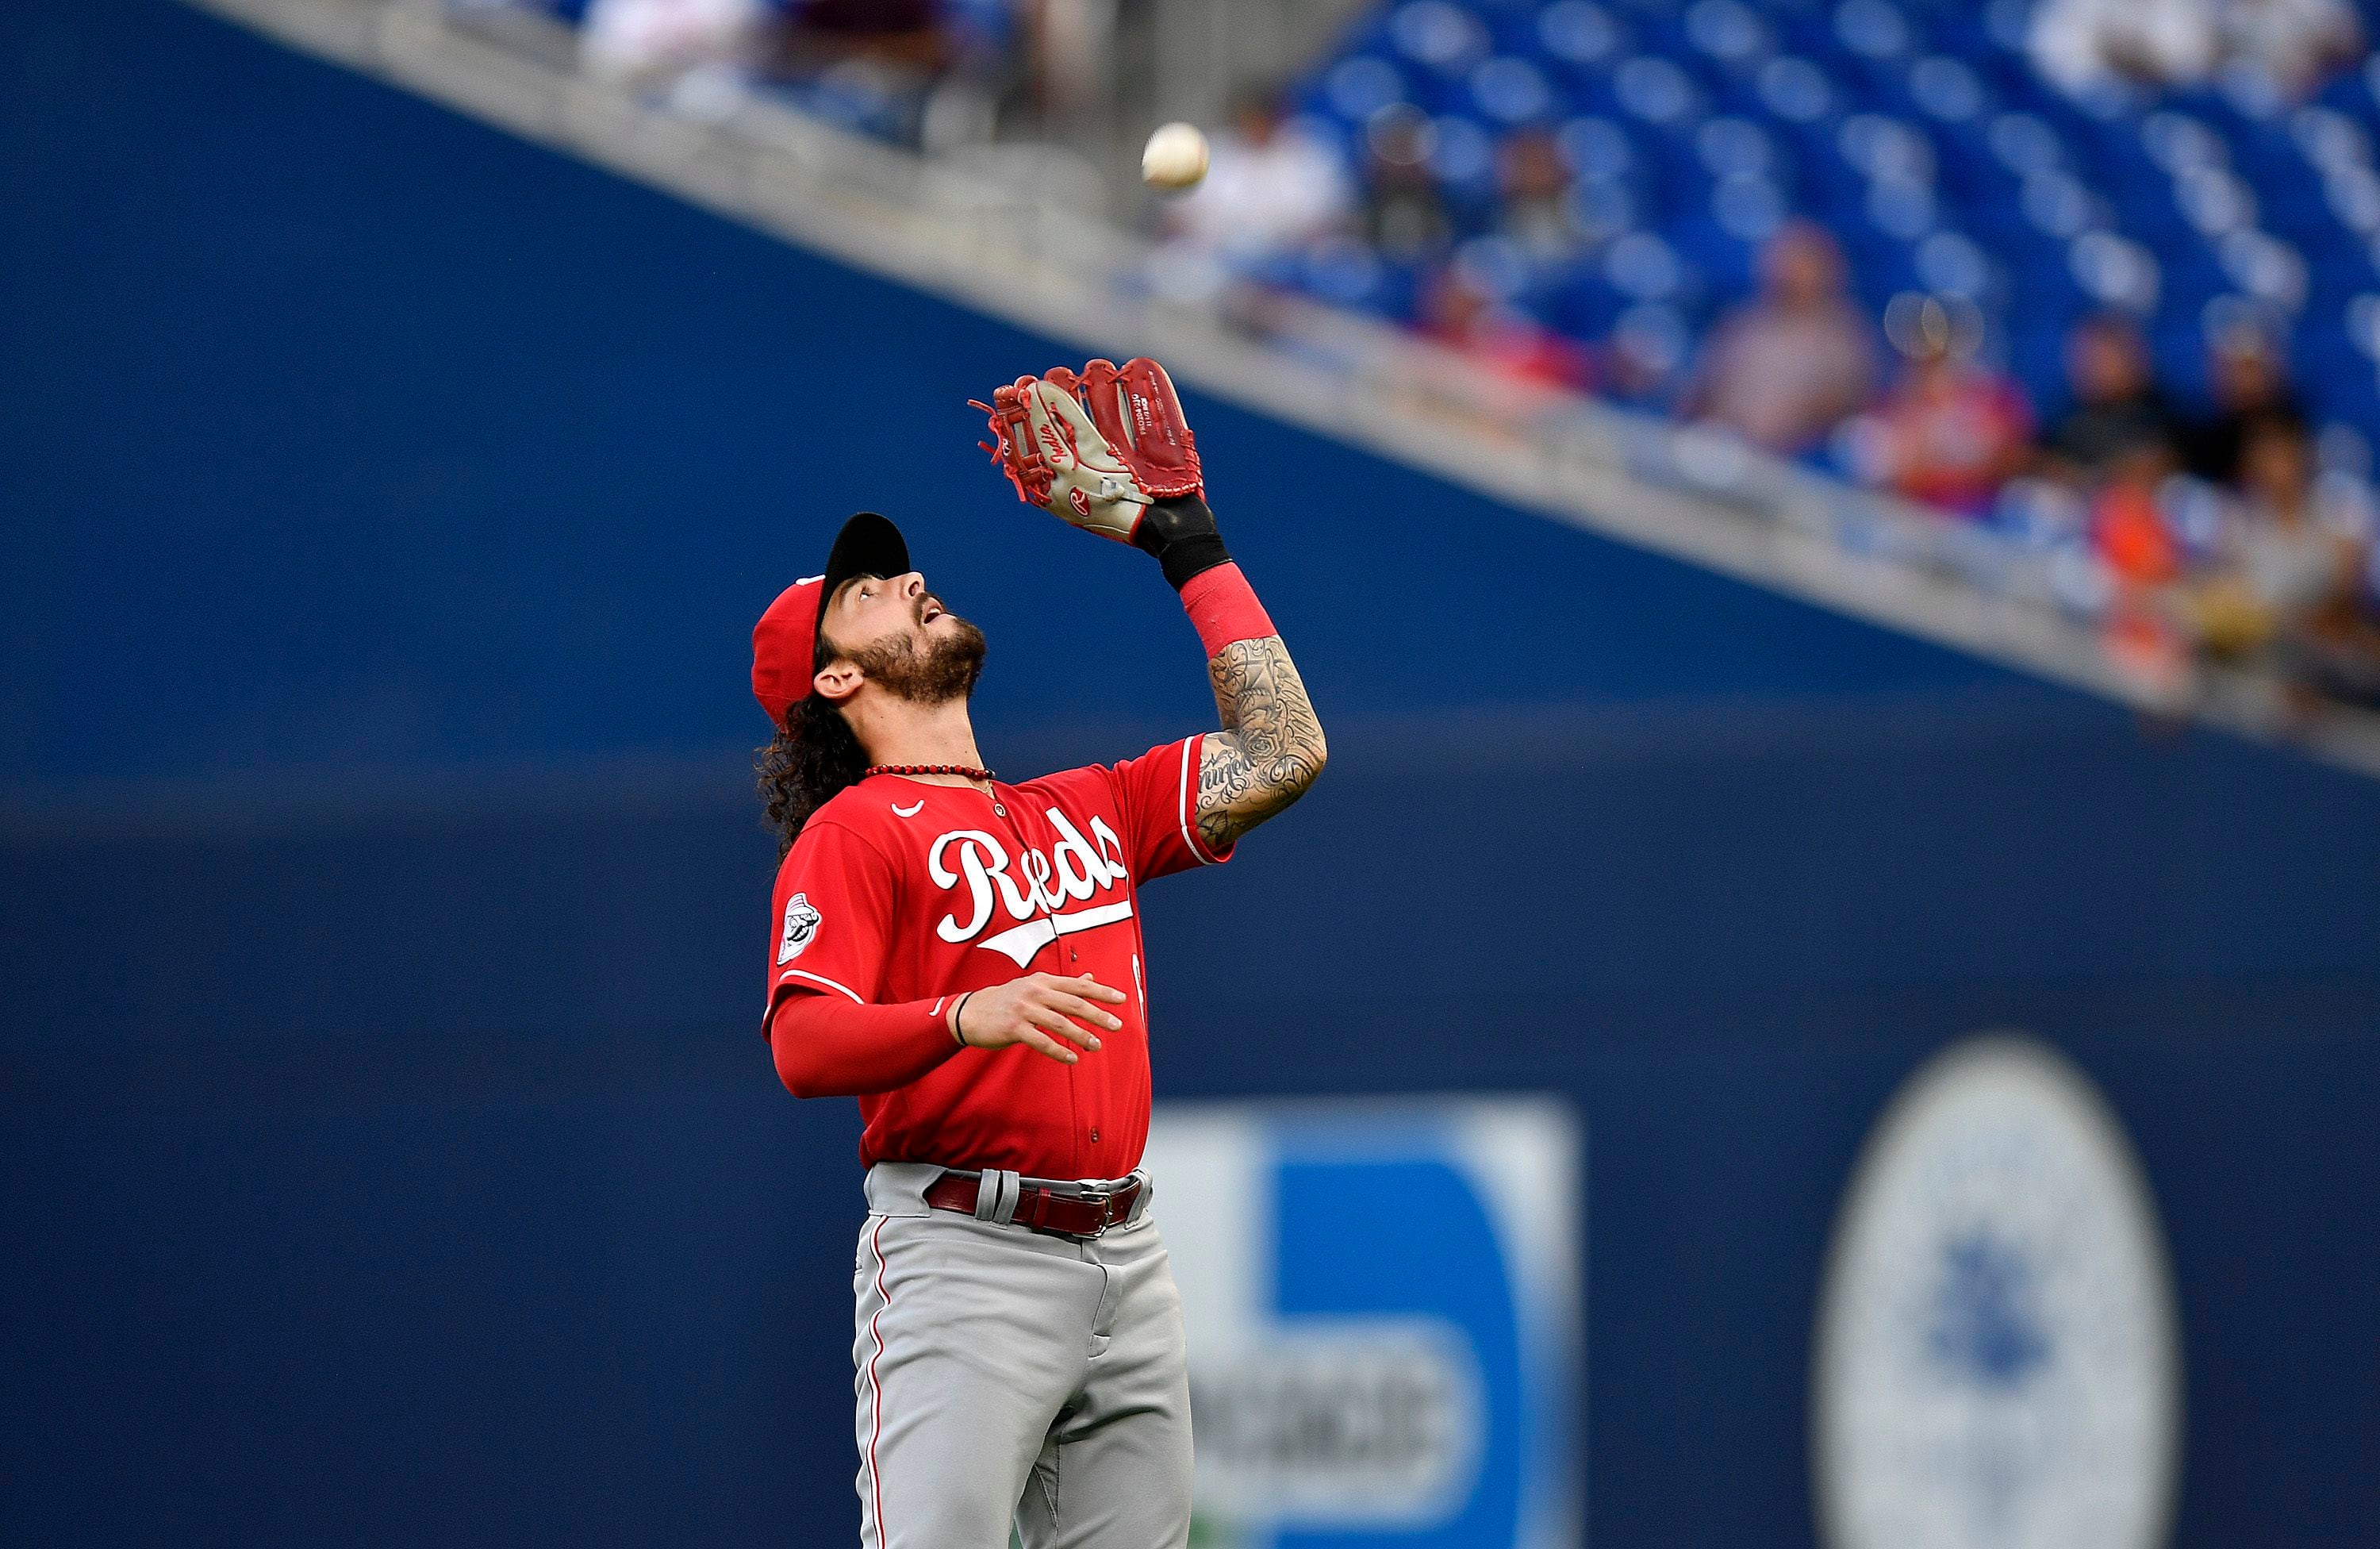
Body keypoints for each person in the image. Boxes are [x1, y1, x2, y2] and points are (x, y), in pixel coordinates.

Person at [750, 357, 1326, 1549]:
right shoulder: (851, 832)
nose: (907, 579)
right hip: (965, 1260)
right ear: (834, 676)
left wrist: (1187, 543)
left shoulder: (1085, 806)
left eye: (897, 569)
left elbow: (1283, 752)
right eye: (863, 592)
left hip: (1129, 1254)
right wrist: (964, 1016)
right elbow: (804, 1045)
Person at [1683, 221, 1877, 456]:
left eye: (1802, 265)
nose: (1791, 272)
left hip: (1794, 464)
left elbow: (1838, 408)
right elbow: (1704, 389)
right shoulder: (1745, 321)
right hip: (1722, 448)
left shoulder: (1843, 339)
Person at [1856, 298, 2033, 517]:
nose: (1932, 350)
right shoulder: (1898, 396)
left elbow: (2010, 460)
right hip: (1908, 517)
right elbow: (1882, 468)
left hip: (1976, 519)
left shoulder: (1997, 396)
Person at [1163, 87, 1351, 262]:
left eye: (1261, 119)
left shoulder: (1311, 155)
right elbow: (1179, 216)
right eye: (1249, 119)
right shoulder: (1208, 154)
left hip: (1292, 257)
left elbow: (1329, 217)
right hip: (1215, 257)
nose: (1255, 126)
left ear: (1277, 118)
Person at [2040, 313, 2184, 485]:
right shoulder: (2069, 423)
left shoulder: (2164, 415)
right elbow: (2051, 468)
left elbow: (2162, 464)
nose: (2094, 366)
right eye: (2087, 356)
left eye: (2105, 355)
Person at [2184, 324, 2306, 486]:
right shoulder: (2204, 438)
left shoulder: (2298, 422)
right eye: (2237, 369)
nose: (2246, 380)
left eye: (2251, 367)